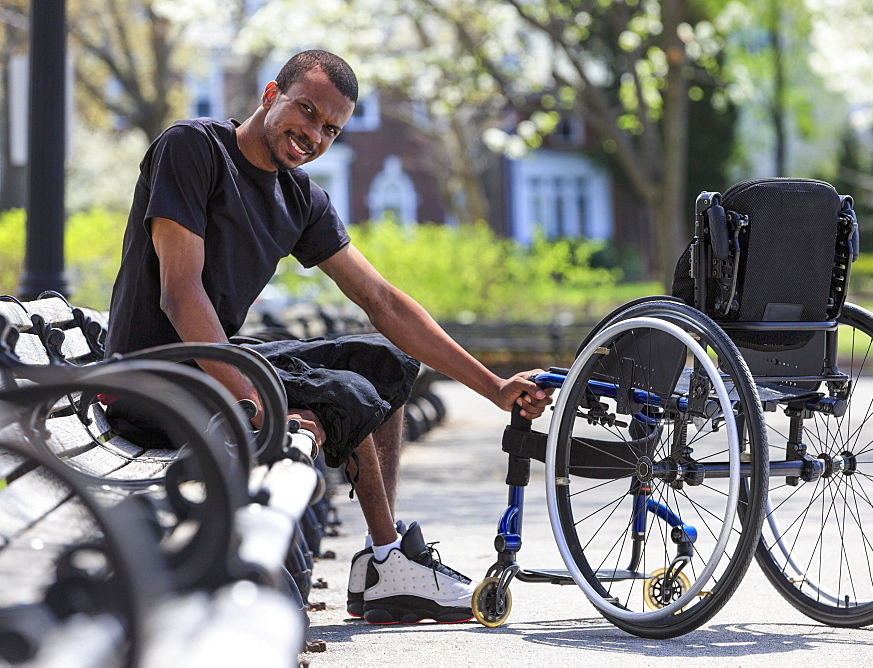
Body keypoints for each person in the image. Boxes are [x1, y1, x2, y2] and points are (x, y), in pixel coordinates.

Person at [105, 49, 553, 625]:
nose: (313, 134)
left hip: (210, 368)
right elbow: (179, 293)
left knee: (385, 363)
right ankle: (390, 559)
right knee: (343, 392)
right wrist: (256, 403)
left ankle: (382, 558)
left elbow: (382, 300)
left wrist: (493, 388)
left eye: (330, 128)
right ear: (271, 94)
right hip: (153, 380)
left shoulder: (299, 198)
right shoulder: (194, 149)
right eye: (306, 110)